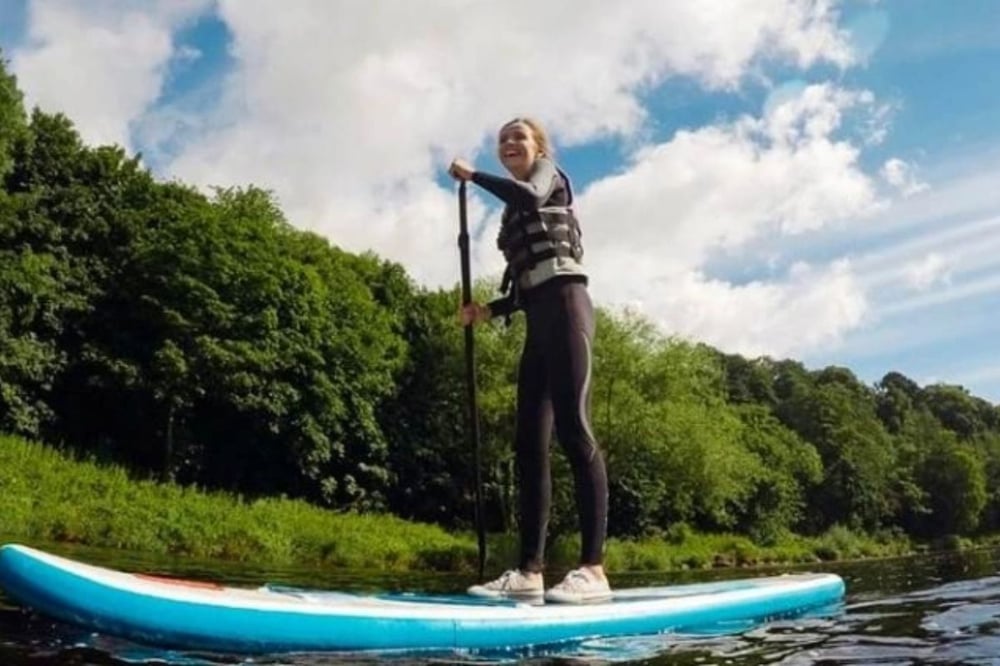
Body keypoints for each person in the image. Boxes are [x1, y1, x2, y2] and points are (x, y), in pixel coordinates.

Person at [448, 117, 611, 604]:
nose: (509, 144)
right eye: (502, 140)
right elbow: (522, 289)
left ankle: (593, 569)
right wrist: (486, 311)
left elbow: (528, 197)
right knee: (528, 445)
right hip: (538, 319)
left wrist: (474, 176)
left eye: (518, 137)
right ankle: (529, 571)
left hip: (567, 308)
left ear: (539, 147)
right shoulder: (513, 216)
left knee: (574, 431)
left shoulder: (547, 177)